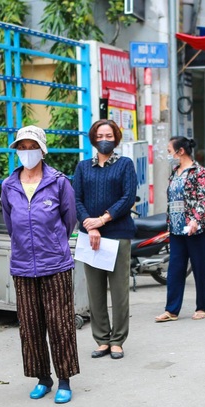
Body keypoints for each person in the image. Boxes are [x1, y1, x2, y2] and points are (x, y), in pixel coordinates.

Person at [1, 126, 79, 404]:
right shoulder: (9, 185)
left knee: (60, 324)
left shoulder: (58, 182)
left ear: (42, 149)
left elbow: (69, 221)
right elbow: (11, 224)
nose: (26, 152)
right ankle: (42, 378)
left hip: (55, 263)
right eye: (21, 147)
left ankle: (64, 380)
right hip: (23, 265)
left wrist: (52, 243)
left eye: (30, 146)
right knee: (30, 326)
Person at [72, 119, 137, 360]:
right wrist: (91, 225)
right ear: (93, 138)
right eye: (100, 135)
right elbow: (76, 199)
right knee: (95, 291)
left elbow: (128, 197)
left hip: (118, 234)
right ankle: (102, 339)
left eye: (109, 135)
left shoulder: (124, 165)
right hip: (91, 236)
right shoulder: (82, 167)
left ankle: (118, 340)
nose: (104, 139)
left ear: (116, 138)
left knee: (119, 291)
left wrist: (103, 220)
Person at [154, 136, 205, 322]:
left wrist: (196, 220)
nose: (168, 155)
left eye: (170, 151)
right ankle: (171, 310)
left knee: (200, 268)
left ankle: (202, 307)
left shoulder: (199, 172)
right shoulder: (175, 172)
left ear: (181, 151)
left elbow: (203, 199)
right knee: (175, 269)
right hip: (177, 229)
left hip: (198, 229)